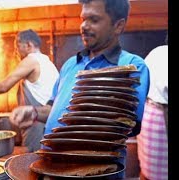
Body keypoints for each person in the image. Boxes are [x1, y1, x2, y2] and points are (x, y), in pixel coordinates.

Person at [9, 0, 150, 179]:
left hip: (97, 175)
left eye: (94, 19)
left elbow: (126, 124)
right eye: (83, 19)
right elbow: (54, 109)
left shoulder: (133, 66)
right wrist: (34, 113)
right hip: (52, 169)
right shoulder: (70, 65)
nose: (84, 25)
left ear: (118, 26)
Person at [0, 29, 59, 152]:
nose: (16, 51)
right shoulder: (47, 62)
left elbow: (3, 87)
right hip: (48, 120)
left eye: (18, 46)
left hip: (37, 122)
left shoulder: (31, 60)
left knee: (32, 160)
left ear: (29, 45)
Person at [137, 34, 168, 180]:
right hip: (159, 119)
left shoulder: (157, 52)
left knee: (149, 172)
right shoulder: (159, 54)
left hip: (150, 114)